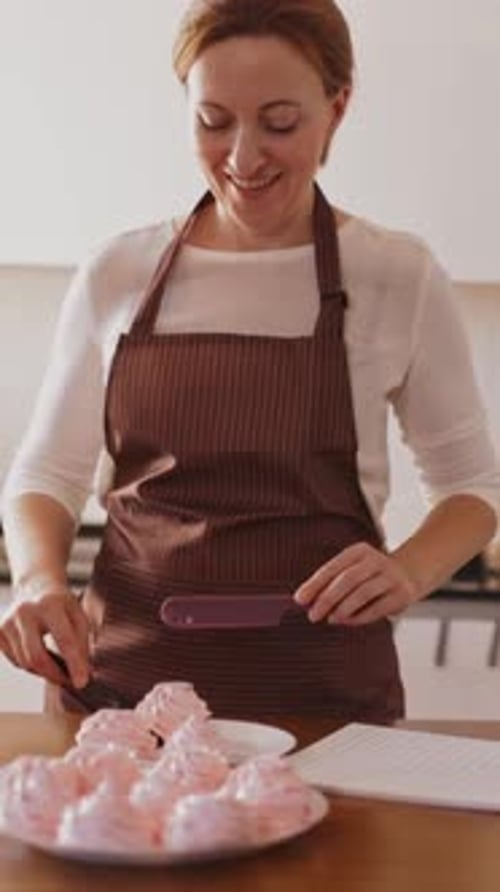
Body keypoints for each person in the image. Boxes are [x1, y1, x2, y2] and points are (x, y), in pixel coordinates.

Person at [1, 0, 498, 721]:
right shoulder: (118, 272)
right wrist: (40, 580)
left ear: (337, 107)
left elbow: (474, 488)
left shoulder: (396, 274)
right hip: (120, 703)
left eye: (279, 123)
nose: (242, 157)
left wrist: (408, 570)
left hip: (328, 703)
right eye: (213, 121)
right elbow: (47, 473)